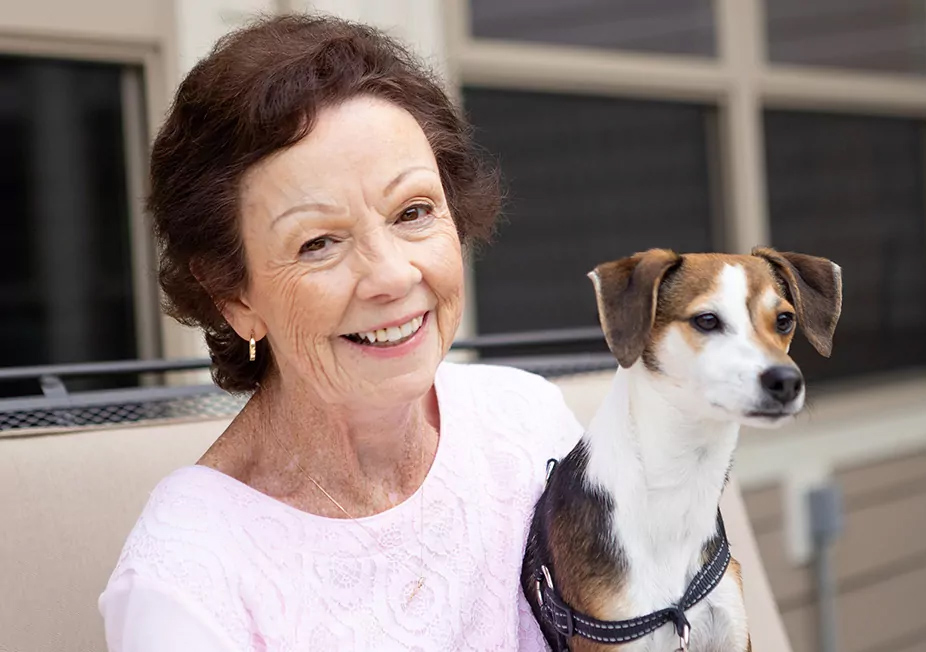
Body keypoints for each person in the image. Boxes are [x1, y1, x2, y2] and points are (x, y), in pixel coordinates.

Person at [98, 14, 583, 651]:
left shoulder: (527, 424)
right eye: (319, 243)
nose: (390, 275)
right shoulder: (186, 583)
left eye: (413, 212)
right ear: (232, 296)